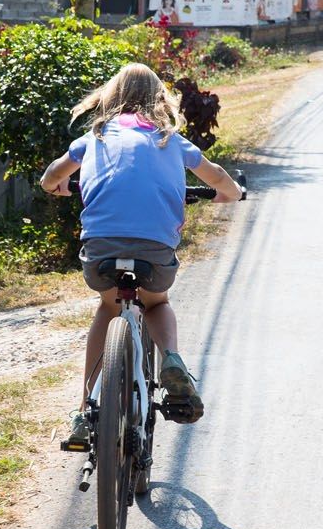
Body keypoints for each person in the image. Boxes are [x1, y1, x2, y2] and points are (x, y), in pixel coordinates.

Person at [40, 63, 243, 446]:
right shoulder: (170, 139)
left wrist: (58, 187)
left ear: (111, 97)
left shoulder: (95, 135)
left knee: (107, 307)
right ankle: (171, 359)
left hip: (100, 251)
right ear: (160, 100)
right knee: (156, 304)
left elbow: (52, 174)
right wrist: (231, 193)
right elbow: (215, 174)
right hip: (154, 253)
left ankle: (86, 411)